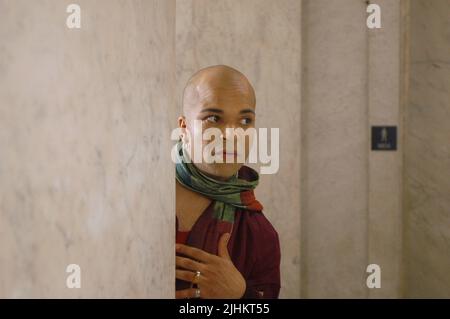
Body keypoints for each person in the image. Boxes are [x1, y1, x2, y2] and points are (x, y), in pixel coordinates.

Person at [175, 65, 281, 299]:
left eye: (245, 121)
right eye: (213, 118)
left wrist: (240, 295)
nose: (232, 135)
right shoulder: (140, 199)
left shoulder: (259, 235)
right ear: (184, 128)